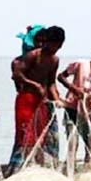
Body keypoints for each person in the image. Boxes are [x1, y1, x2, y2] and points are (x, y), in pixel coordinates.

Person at [8, 26, 66, 173]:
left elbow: (51, 82)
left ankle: (38, 169)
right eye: (53, 44)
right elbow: (17, 74)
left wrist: (58, 99)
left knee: (42, 136)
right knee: (24, 136)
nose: (55, 48)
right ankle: (16, 171)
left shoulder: (54, 60)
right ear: (46, 42)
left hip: (42, 102)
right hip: (26, 99)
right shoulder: (34, 55)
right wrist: (34, 85)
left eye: (58, 45)